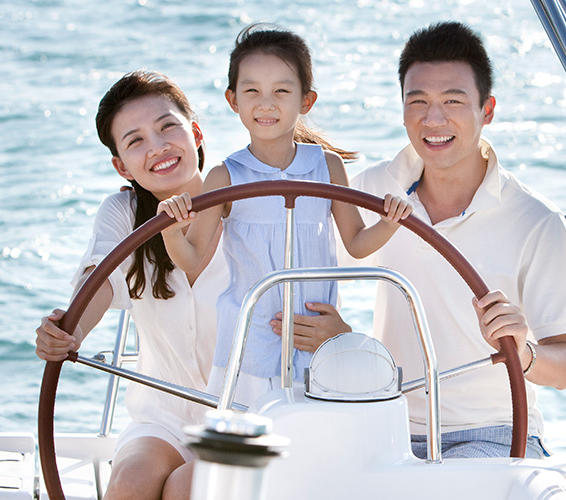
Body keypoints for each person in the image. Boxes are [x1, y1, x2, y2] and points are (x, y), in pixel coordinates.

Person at [274, 21, 566, 460]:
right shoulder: (372, 187)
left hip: (494, 433)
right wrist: (340, 338)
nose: (433, 120)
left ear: (487, 110)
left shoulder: (536, 220)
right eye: (417, 102)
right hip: (383, 422)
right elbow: (301, 265)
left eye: (452, 102)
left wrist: (524, 352)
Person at [157, 24, 412, 407]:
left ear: (305, 100)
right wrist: (172, 231)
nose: (266, 102)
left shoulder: (327, 167)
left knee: (311, 448)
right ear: (233, 100)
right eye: (252, 91)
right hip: (250, 345)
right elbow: (192, 260)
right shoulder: (225, 176)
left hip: (314, 338)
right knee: (247, 452)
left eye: (281, 90)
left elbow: (357, 244)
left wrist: (388, 224)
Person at [34, 70, 228, 500]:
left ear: (195, 133)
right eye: (135, 140)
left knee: (185, 487)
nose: (157, 147)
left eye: (167, 127)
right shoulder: (122, 213)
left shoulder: (248, 196)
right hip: (162, 417)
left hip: (247, 416)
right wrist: (70, 332)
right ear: (121, 165)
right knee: (130, 483)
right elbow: (97, 281)